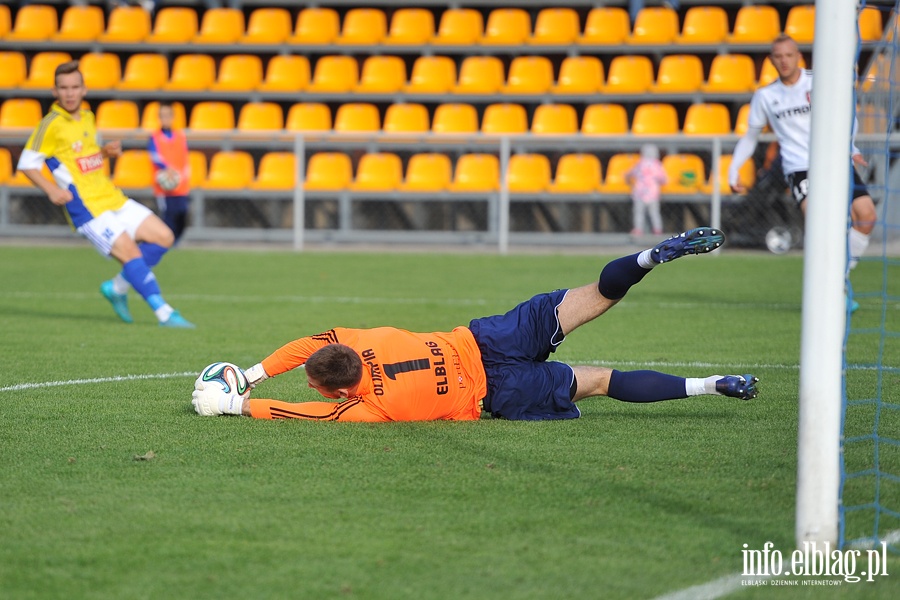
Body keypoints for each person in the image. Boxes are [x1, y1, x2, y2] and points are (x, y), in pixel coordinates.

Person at [192, 227, 759, 422]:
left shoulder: (369, 408)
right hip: (487, 337)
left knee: (602, 380)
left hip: (498, 390)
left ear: (336, 389)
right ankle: (647, 260)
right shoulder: (362, 341)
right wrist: (252, 371)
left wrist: (239, 403)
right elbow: (309, 344)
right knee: (594, 296)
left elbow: (304, 411)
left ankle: (711, 386)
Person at [16, 61, 194, 328]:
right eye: (63, 88)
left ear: (84, 89)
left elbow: (82, 159)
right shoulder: (50, 124)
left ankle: (117, 287)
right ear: (55, 91)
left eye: (75, 87)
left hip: (111, 196)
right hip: (86, 208)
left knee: (164, 236)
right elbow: (26, 163)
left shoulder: (87, 117)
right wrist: (51, 190)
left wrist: (104, 154)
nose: (70, 93)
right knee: (131, 252)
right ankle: (165, 313)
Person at [729, 35, 878, 286]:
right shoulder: (766, 96)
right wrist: (733, 169)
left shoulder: (818, 82)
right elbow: (750, 136)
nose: (784, 61)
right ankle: (830, 285)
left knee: (866, 216)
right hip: (800, 168)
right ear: (771, 60)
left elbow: (846, 112)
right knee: (820, 225)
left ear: (799, 56)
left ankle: (840, 276)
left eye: (789, 55)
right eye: (778, 56)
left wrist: (850, 146)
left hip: (834, 159)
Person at [148, 101, 191, 243]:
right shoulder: (154, 137)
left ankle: (177, 240)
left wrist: (184, 174)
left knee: (182, 212)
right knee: (168, 214)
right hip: (165, 184)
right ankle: (167, 242)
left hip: (180, 183)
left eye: (168, 115)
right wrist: (167, 169)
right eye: (162, 116)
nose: (165, 119)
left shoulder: (180, 136)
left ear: (173, 117)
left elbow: (184, 156)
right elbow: (155, 157)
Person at [626, 144, 667, 236]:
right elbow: (663, 179)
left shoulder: (640, 163)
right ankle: (657, 229)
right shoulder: (657, 164)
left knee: (639, 212)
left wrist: (627, 179)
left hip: (639, 192)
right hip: (652, 192)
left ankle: (638, 229)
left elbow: (630, 173)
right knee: (654, 212)